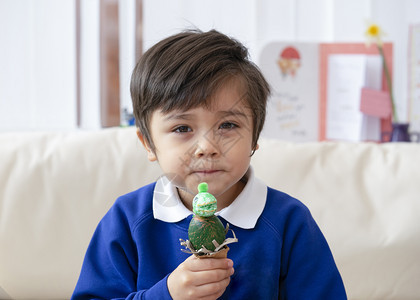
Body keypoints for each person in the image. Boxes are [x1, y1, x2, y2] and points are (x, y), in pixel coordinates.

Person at [72, 29, 347, 299]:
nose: (207, 147)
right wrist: (166, 295)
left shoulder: (290, 222)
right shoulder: (127, 220)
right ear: (148, 144)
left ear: (254, 137)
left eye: (227, 125)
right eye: (182, 128)